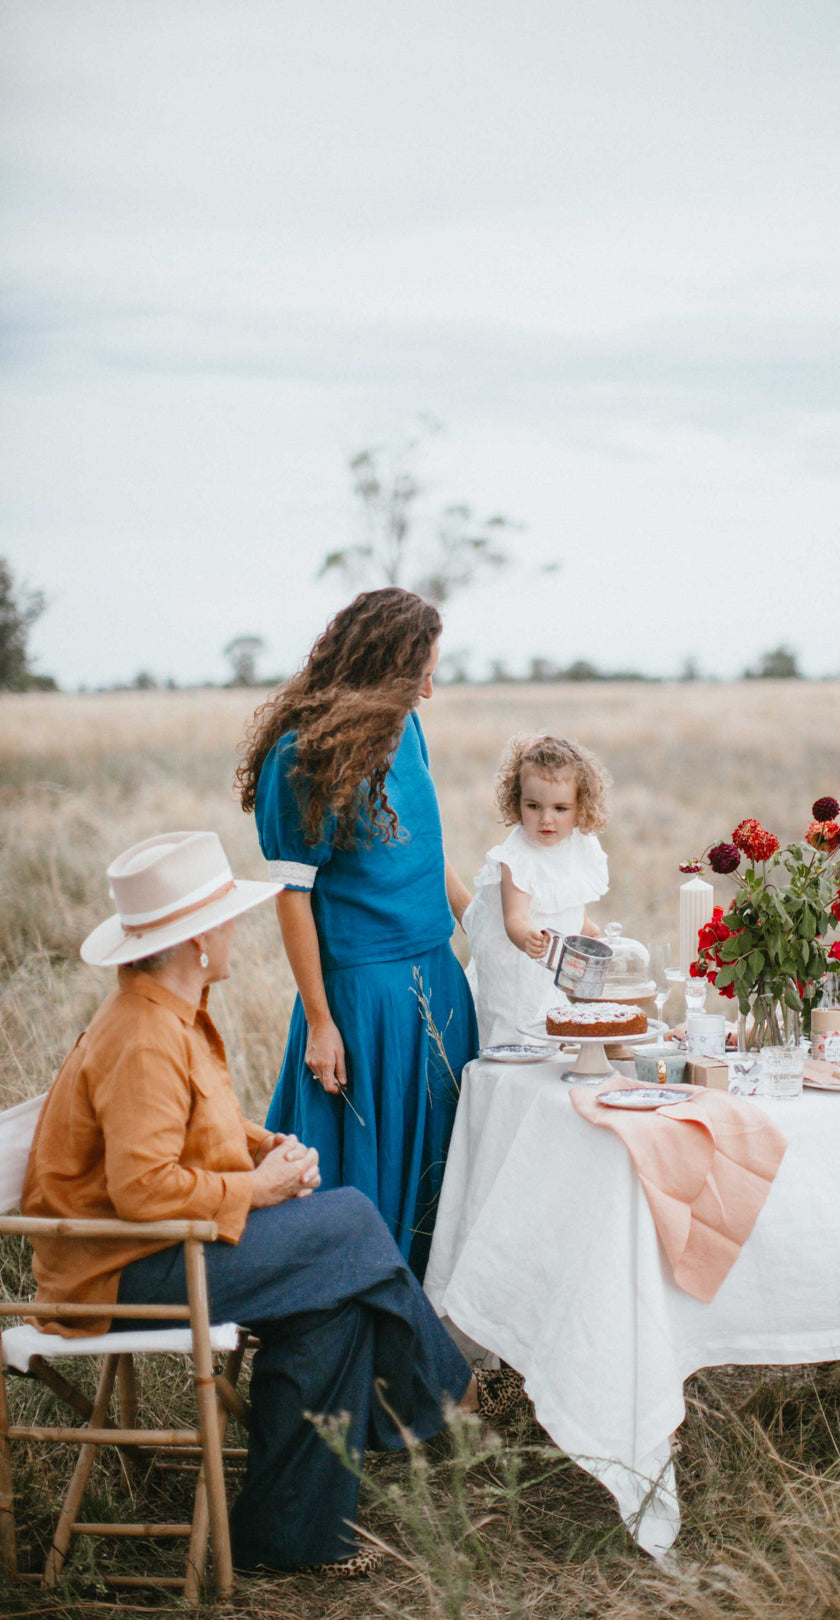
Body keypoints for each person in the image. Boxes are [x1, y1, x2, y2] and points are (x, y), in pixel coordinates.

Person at [21, 830, 506, 1577]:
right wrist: (260, 1187)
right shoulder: (144, 1035)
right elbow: (143, 1190)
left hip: (162, 1249)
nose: (234, 931)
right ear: (195, 941)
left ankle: (287, 1539)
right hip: (120, 1273)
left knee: (335, 1305)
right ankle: (450, 1394)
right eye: (224, 919)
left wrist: (262, 1145)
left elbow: (191, 1125)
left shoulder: (169, 1012)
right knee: (351, 1223)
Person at [236, 588, 478, 1279]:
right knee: (363, 1180)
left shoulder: (409, 729)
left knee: (443, 1173)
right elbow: (292, 898)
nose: (428, 691)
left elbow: (427, 847)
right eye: (419, 675)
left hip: (438, 978)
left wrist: (480, 921)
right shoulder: (300, 756)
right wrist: (321, 1021)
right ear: (382, 668)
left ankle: (430, 1321)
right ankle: (353, 1320)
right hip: (362, 1001)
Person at [464, 732, 611, 1049]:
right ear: (517, 802)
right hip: (514, 968)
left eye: (560, 808)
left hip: (550, 966)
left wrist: (588, 929)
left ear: (581, 806)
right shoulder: (517, 857)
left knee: (552, 1027)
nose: (546, 819)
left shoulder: (578, 846)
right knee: (516, 1029)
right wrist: (526, 936)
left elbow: (568, 901)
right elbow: (515, 918)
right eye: (533, 806)